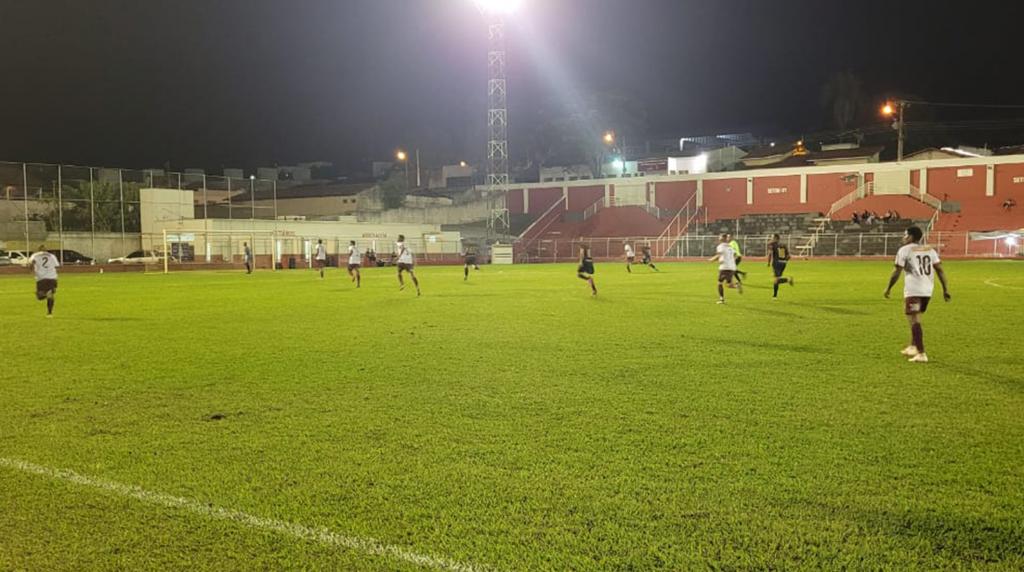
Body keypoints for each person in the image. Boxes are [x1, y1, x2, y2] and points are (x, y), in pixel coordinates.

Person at [884, 225, 951, 363]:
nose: (903, 237)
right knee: (913, 317)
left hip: (914, 289)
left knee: (914, 319)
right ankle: (913, 346)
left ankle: (921, 353)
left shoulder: (904, 250)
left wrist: (888, 287)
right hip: (927, 290)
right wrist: (945, 289)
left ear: (911, 237)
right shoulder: (929, 249)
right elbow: (940, 269)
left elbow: (897, 271)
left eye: (905, 235)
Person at [29, 245, 59, 317]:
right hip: (52, 277)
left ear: (38, 250)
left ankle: (49, 310)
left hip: (41, 278)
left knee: (40, 297)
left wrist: (31, 271)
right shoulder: (52, 256)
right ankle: (49, 313)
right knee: (50, 296)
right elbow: (57, 266)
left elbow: (32, 263)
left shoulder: (35, 255)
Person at [710, 233, 741, 304]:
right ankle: (737, 286)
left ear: (723, 238)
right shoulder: (730, 246)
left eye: (720, 237)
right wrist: (730, 260)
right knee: (729, 284)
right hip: (732, 267)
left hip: (724, 267)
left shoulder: (720, 246)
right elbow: (735, 255)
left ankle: (721, 299)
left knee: (719, 283)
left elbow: (718, 255)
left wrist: (711, 260)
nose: (719, 238)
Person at [767, 233, 794, 298]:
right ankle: (775, 296)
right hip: (783, 263)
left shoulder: (772, 245)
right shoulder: (783, 245)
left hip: (776, 263)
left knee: (776, 280)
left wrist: (768, 262)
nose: (772, 239)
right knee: (777, 279)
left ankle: (788, 280)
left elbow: (770, 254)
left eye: (773, 237)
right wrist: (785, 261)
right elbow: (789, 256)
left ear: (776, 238)